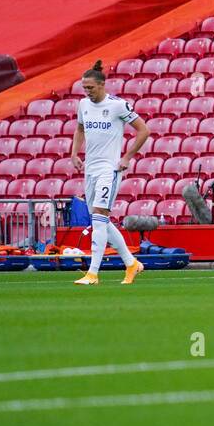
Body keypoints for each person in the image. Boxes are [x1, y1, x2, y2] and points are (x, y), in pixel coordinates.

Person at [69, 60, 150, 286]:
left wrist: (127, 157)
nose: (87, 91)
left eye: (91, 88)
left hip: (109, 169)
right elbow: (80, 129)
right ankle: (131, 263)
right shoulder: (83, 105)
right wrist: (75, 154)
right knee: (100, 221)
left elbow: (144, 130)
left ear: (102, 85)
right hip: (91, 169)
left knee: (98, 218)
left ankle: (93, 274)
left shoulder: (118, 106)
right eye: (84, 88)